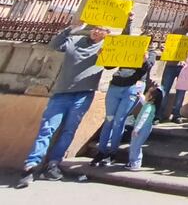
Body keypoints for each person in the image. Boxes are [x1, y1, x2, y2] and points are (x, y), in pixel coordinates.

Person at [16, 22, 111, 188]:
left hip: (84, 94)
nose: (96, 31)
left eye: (100, 29)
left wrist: (128, 23)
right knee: (47, 128)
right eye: (95, 27)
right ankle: (31, 164)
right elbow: (54, 45)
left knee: (69, 130)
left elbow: (114, 62)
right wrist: (70, 29)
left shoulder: (106, 48)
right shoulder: (75, 40)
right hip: (61, 93)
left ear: (107, 33)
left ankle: (54, 163)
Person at [92, 14, 156, 166]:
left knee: (119, 121)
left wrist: (144, 60)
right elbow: (110, 65)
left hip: (132, 88)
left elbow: (148, 67)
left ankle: (112, 153)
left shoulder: (151, 53)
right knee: (109, 119)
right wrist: (105, 56)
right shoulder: (128, 48)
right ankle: (101, 151)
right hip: (115, 86)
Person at [160, 13, 188, 122]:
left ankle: (176, 114)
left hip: (185, 67)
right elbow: (169, 44)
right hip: (171, 64)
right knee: (164, 90)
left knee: (181, 92)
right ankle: (159, 114)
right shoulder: (176, 30)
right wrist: (165, 48)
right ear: (184, 20)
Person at [127, 83, 164, 171]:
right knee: (135, 145)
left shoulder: (149, 107)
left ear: (151, 97)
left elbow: (143, 119)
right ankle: (133, 162)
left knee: (135, 145)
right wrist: (141, 96)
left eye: (147, 93)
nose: (146, 94)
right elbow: (144, 102)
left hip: (142, 128)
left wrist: (136, 129)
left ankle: (135, 163)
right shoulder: (149, 105)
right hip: (142, 128)